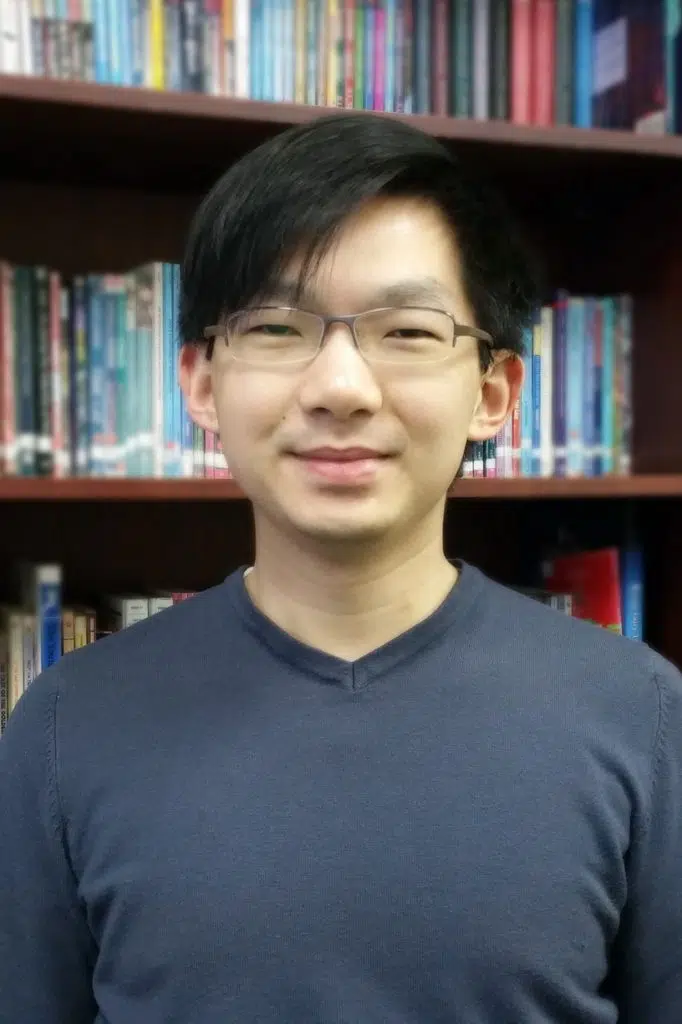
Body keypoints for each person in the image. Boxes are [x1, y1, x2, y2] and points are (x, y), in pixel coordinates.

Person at [0, 112, 680, 1024]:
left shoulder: (642, 716)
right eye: (278, 327)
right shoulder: (66, 725)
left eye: (407, 332)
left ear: (493, 394)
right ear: (201, 384)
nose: (341, 388)